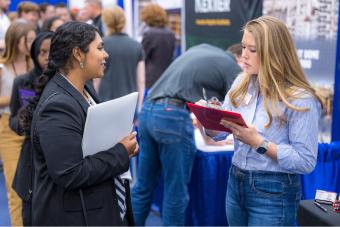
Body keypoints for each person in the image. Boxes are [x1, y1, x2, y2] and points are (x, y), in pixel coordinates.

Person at [200, 16, 321, 226]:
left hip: (274, 190)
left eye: (252, 50)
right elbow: (220, 132)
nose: (243, 55)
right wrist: (208, 120)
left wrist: (259, 143)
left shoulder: (299, 98)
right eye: (244, 47)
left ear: (274, 53)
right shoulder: (242, 82)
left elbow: (305, 161)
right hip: (235, 180)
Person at [20, 21, 138, 225]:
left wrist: (122, 142)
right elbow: (69, 173)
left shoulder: (83, 89)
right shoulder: (57, 105)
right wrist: (121, 152)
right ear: (78, 54)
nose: (105, 54)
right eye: (100, 48)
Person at [131, 43, 241, 226]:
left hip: (148, 111)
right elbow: (237, 106)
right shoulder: (232, 67)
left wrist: (209, 139)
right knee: (176, 192)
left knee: (143, 186)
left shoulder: (203, 49)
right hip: (172, 114)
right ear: (238, 58)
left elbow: (202, 110)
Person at [9, 31, 53, 226]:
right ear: (34, 54)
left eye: (51, 52)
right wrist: (25, 121)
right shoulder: (23, 81)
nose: (46, 58)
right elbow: (13, 118)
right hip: (31, 160)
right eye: (41, 52)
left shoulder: (68, 81)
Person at [0, 21, 36, 226]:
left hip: (34, 128)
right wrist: (15, 96)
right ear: (16, 40)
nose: (33, 44)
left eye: (33, 39)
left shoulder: (35, 64)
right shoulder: (2, 68)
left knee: (37, 187)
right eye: (28, 40)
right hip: (9, 129)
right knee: (16, 190)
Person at [98, 6, 145, 111]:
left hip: (105, 102)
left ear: (106, 22)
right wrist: (139, 106)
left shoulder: (101, 45)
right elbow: (141, 80)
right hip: (129, 104)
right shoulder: (137, 45)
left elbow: (96, 79)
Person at [140, 3, 175, 89]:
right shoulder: (170, 33)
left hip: (151, 79)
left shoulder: (149, 34)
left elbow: (142, 57)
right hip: (167, 76)